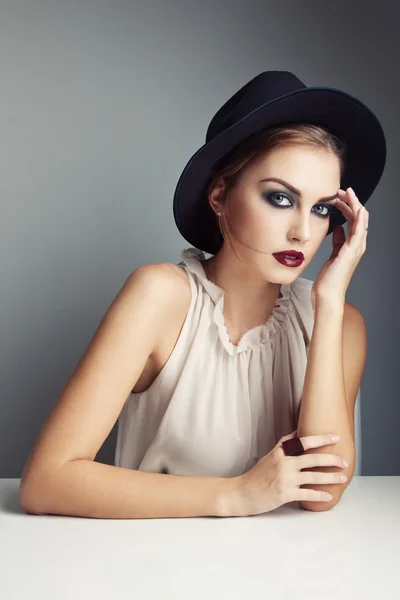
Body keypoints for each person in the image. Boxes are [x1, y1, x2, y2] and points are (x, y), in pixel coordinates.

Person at [19, 71, 386, 520]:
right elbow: (46, 480)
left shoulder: (342, 324)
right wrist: (238, 495)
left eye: (322, 208)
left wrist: (328, 306)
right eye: (280, 198)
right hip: (156, 572)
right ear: (219, 195)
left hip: (291, 577)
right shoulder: (160, 298)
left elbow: (320, 492)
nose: (303, 232)